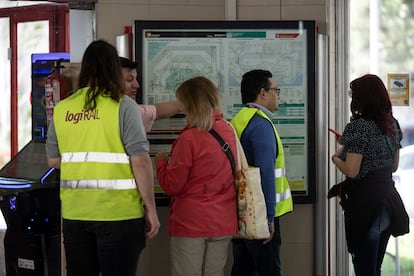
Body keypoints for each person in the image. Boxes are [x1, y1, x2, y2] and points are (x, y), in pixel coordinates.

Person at [46, 40, 160, 276]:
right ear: (112, 69)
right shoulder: (123, 106)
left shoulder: (63, 108)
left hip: (75, 215)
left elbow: (53, 161)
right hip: (119, 215)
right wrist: (150, 207)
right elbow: (140, 161)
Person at [154, 76, 238, 276]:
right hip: (223, 221)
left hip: (191, 223)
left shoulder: (189, 138)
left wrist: (161, 162)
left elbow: (173, 185)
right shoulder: (228, 130)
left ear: (189, 104)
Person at [330, 74, 409, 276]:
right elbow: (394, 166)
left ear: (361, 98)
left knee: (364, 269)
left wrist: (335, 159)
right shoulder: (393, 124)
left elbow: (352, 171)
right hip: (387, 203)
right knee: (374, 267)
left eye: (353, 95)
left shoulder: (358, 127)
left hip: (364, 206)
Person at [230, 69, 293, 276]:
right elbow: (266, 172)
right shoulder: (261, 125)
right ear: (262, 93)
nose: (279, 95)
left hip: (241, 210)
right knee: (268, 269)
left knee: (243, 269)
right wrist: (269, 217)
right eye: (276, 90)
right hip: (259, 215)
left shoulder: (239, 119)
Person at [119, 56, 181, 132]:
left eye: (135, 79)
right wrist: (190, 101)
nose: (136, 85)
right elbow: (156, 111)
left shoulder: (125, 109)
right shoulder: (126, 112)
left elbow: (154, 111)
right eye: (129, 79)